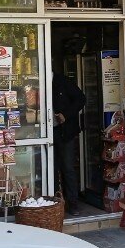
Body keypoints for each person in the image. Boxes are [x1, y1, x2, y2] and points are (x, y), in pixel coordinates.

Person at [52, 72, 86, 214]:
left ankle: (73, 203)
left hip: (65, 132)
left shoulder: (63, 81)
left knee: (67, 167)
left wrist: (65, 115)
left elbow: (81, 99)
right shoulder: (36, 82)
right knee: (50, 168)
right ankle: (53, 203)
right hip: (46, 132)